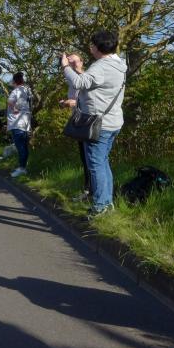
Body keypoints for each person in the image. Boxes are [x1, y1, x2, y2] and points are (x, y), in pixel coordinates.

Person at [62, 30, 127, 217]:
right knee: (103, 163)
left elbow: (79, 83)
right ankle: (107, 202)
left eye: (92, 44)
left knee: (96, 165)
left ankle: (100, 206)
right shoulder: (119, 65)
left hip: (99, 125)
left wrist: (66, 67)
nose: (90, 47)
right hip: (113, 122)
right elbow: (92, 82)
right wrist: (78, 68)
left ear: (97, 47)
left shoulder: (101, 66)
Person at [59, 53, 91, 201]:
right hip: (79, 122)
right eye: (69, 62)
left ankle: (91, 191)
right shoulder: (72, 81)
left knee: (91, 159)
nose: (71, 65)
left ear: (82, 62)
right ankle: (89, 190)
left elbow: (83, 100)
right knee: (85, 158)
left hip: (88, 122)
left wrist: (70, 103)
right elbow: (74, 101)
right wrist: (64, 103)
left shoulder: (86, 77)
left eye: (74, 62)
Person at [7, 72, 32, 178]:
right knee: (24, 147)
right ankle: (23, 167)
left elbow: (10, 101)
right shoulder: (27, 90)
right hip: (26, 122)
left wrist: (14, 108)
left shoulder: (16, 91)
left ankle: (22, 168)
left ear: (14, 81)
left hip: (17, 123)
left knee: (20, 147)